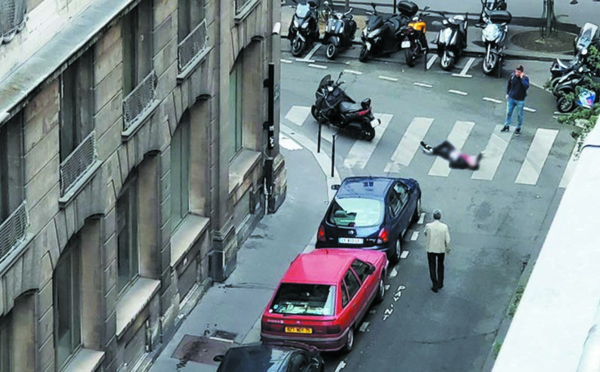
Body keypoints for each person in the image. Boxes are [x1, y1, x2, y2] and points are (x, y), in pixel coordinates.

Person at [424, 209, 451, 293]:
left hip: (431, 249)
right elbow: (448, 240)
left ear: (433, 216)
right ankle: (440, 283)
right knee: (440, 266)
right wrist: (447, 248)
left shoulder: (428, 226)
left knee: (432, 266)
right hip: (440, 249)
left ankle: (434, 284)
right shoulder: (444, 227)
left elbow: (425, 233)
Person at [502, 64, 530, 135]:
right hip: (512, 98)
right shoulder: (512, 76)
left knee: (519, 114)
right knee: (508, 112)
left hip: (520, 100)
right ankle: (507, 125)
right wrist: (507, 93)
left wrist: (522, 78)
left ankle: (518, 127)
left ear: (522, 72)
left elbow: (526, 86)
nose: (517, 73)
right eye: (516, 71)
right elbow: (509, 85)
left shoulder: (525, 78)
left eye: (519, 72)